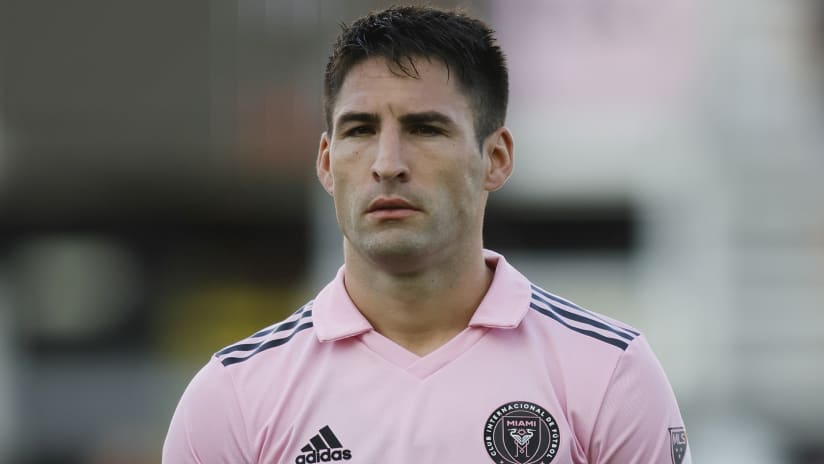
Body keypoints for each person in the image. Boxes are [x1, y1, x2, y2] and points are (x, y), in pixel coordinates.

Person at [163, 5, 691, 464]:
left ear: (496, 158)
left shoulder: (609, 372)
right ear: (326, 162)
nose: (387, 163)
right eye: (360, 130)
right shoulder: (234, 395)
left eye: (424, 129)